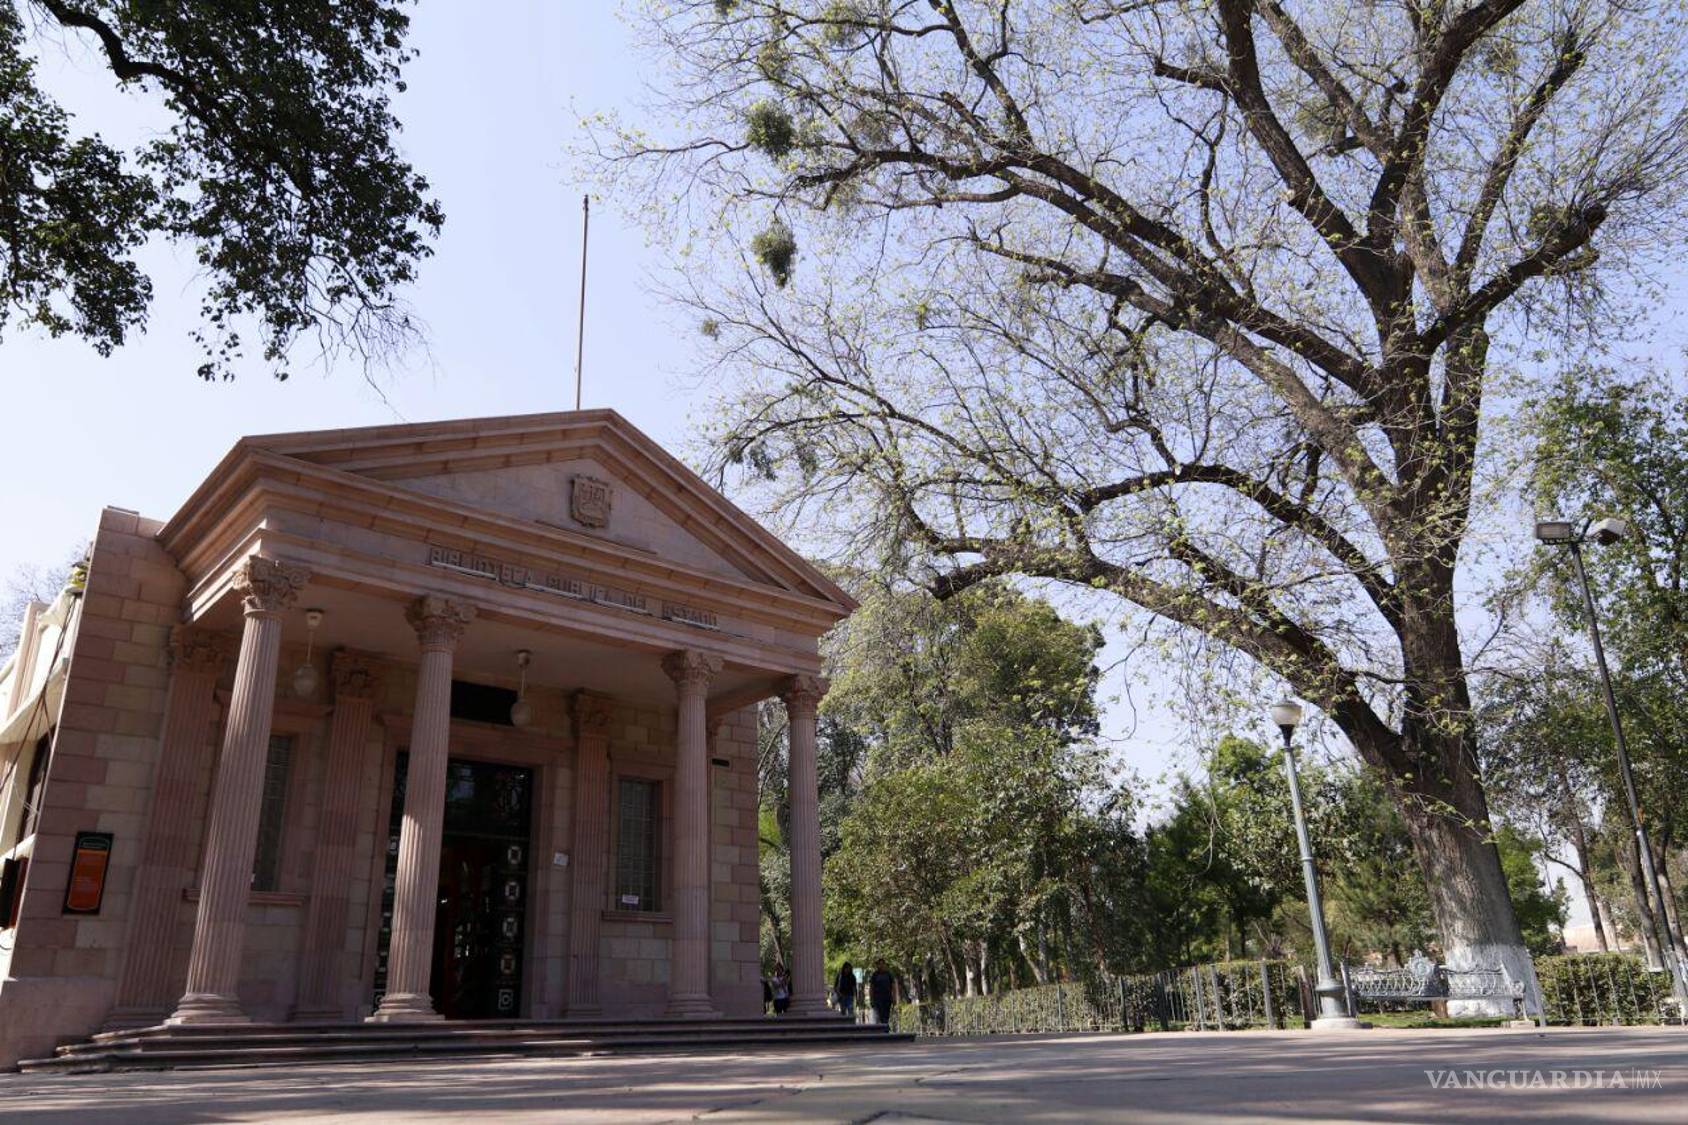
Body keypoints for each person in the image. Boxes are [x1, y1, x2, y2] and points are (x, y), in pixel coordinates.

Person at [868, 959, 896, 1025]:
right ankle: (882, 1028)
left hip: (887, 998)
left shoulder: (889, 974)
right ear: (877, 965)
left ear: (884, 965)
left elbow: (893, 986)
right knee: (879, 1015)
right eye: (879, 964)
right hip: (877, 999)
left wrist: (894, 997)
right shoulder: (875, 975)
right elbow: (871, 987)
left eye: (882, 964)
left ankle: (885, 1029)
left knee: (886, 1015)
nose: (880, 966)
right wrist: (871, 999)